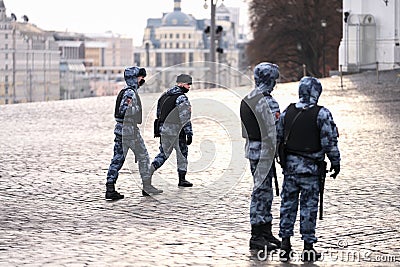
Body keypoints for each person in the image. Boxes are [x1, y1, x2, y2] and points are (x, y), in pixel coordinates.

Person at [277, 76, 341, 262]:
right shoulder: (322, 114)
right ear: (316, 92)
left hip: (290, 169)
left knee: (287, 206)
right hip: (311, 170)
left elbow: (278, 137)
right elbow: (329, 142)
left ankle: (285, 244)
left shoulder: (287, 111)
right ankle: (308, 247)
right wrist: (335, 162)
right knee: (308, 207)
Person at [240, 62, 281, 251]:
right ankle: (257, 235)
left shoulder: (247, 98)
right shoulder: (268, 101)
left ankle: (265, 231)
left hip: (253, 150)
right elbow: (274, 131)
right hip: (265, 153)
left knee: (264, 192)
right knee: (261, 194)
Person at [105, 66, 163, 200]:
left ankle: (110, 187)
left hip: (121, 131)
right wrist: (137, 108)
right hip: (130, 131)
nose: (142, 80)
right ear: (134, 78)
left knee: (117, 159)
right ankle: (147, 187)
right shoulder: (130, 93)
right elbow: (124, 110)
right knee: (143, 156)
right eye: (140, 77)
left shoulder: (126, 91)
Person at [149, 74, 193, 187]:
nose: (189, 87)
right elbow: (185, 116)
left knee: (163, 154)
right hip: (177, 131)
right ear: (181, 84)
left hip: (164, 130)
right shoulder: (181, 97)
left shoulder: (164, 96)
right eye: (188, 84)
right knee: (182, 154)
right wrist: (189, 133)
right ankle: (182, 179)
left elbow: (159, 113)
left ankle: (149, 172)